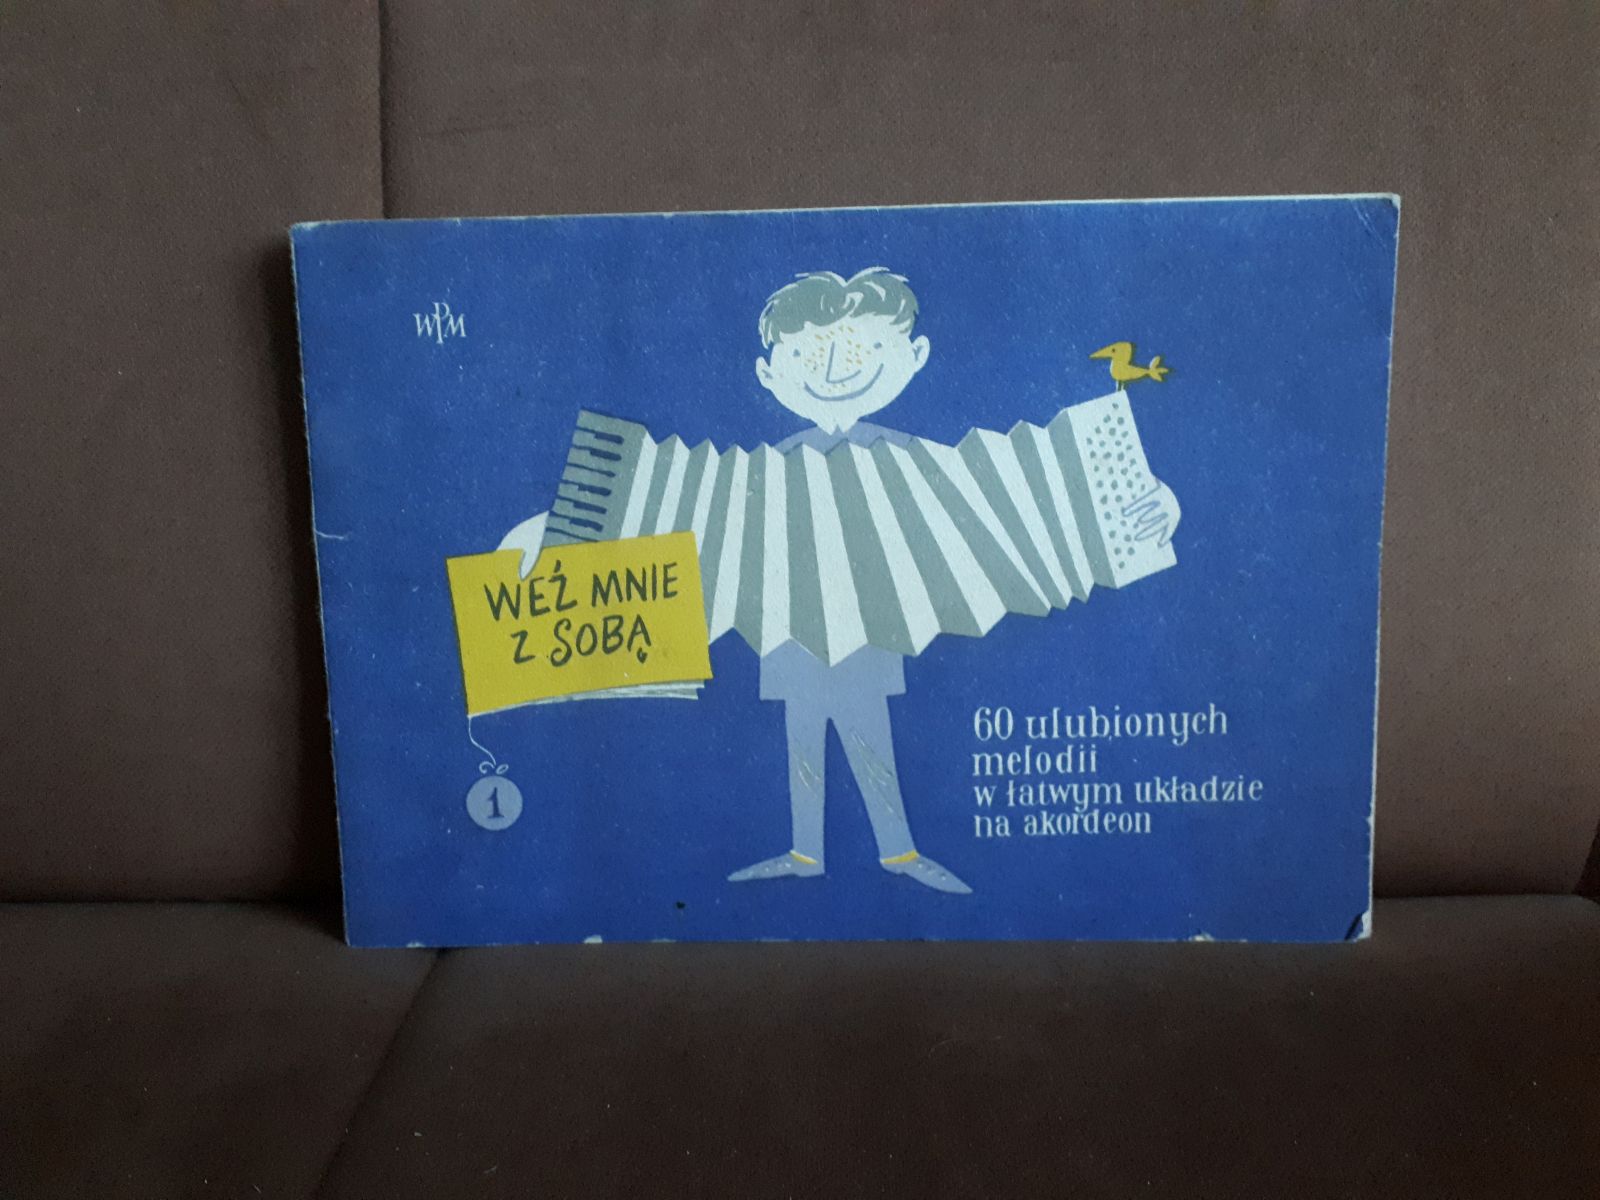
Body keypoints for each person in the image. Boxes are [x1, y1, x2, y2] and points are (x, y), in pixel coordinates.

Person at [727, 268, 971, 894]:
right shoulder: (772, 463)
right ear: (769, 375)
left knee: (870, 740)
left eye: (861, 348)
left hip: (867, 634)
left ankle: (900, 853)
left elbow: (964, 517)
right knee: (802, 743)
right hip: (792, 637)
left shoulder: (905, 454)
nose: (835, 367)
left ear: (914, 355)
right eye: (808, 355)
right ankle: (805, 852)